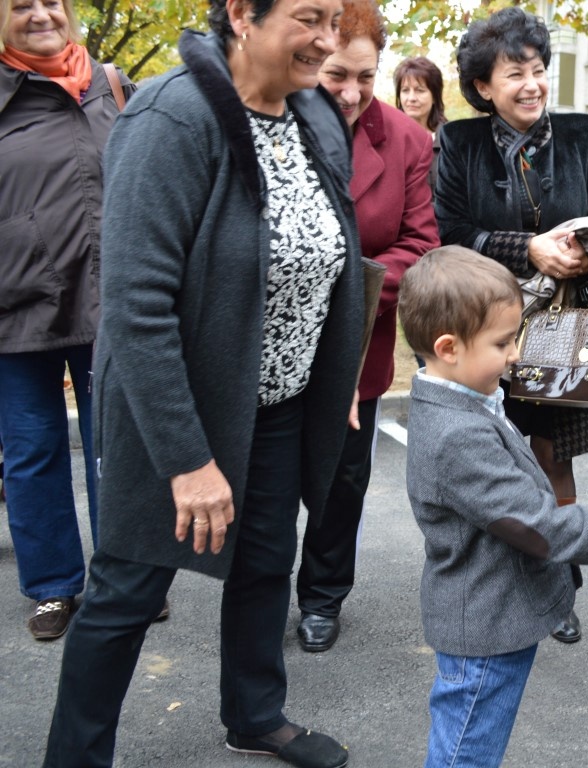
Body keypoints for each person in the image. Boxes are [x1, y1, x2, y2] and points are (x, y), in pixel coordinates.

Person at [41, 0, 363, 765]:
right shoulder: (171, 117)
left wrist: (337, 369)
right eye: (309, 17)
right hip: (174, 410)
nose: (327, 40)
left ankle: (254, 714)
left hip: (279, 403)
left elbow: (331, 260)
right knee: (127, 592)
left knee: (266, 564)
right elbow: (135, 304)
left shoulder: (314, 114)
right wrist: (188, 461)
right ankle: (74, 756)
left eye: (336, 19)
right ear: (241, 14)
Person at [399, 245, 588, 767]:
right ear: (448, 347)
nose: (514, 355)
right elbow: (538, 526)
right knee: (465, 754)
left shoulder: (465, 398)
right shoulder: (457, 434)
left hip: (493, 620)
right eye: (502, 342)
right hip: (484, 633)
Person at [435, 6, 588, 644]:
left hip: (567, 323)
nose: (532, 84)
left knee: (551, 456)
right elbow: (451, 232)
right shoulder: (459, 143)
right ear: (483, 87)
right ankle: (501, 575)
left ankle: (559, 582)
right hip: (487, 325)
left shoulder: (583, 133)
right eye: (514, 74)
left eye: (538, 69)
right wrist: (527, 248)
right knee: (497, 457)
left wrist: (581, 246)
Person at [295, 0, 439, 655]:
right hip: (274, 338)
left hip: (359, 338)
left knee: (342, 476)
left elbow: (420, 240)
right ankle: (259, 588)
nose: (352, 93)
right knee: (270, 477)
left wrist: (350, 289)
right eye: (336, 76)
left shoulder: (407, 140)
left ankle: (322, 595)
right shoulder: (274, 121)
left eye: (365, 76)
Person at [0, 0, 132, 640]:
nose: (39, 14)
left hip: (108, 298)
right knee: (32, 451)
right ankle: (52, 587)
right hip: (14, 305)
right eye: (21, 4)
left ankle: (120, 578)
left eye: (50, 1)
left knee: (115, 448)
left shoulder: (110, 85)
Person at [393, 55, 446, 191]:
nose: (411, 98)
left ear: (435, 97)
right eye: (405, 90)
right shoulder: (389, 139)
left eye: (420, 90)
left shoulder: (452, 141)